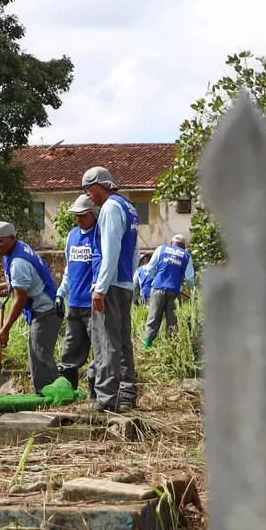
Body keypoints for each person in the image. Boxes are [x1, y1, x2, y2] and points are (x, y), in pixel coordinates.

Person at [83, 166, 140, 412]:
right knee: (123, 341)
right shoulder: (129, 207)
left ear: (100, 185)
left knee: (106, 341)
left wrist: (101, 288)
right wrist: (130, 281)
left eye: (89, 190)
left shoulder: (109, 208)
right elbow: (135, 251)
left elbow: (111, 250)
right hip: (124, 283)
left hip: (110, 285)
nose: (88, 196)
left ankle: (107, 398)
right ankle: (127, 394)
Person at [0, 221, 61, 394]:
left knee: (39, 357)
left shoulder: (18, 262)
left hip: (45, 311)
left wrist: (5, 329)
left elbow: (20, 299)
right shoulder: (17, 249)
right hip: (46, 306)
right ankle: (55, 390)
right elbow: (28, 280)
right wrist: (10, 285)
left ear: (12, 238)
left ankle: (45, 394)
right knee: (41, 355)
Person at [56, 194, 101, 388]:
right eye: (76, 215)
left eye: (83, 215)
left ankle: (95, 388)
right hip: (74, 302)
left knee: (99, 348)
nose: (78, 219)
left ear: (94, 214)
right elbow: (69, 269)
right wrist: (60, 294)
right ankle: (68, 388)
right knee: (70, 347)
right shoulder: (72, 235)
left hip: (93, 303)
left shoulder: (99, 235)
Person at [142, 233, 196, 348]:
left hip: (157, 289)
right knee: (172, 323)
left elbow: (150, 268)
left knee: (153, 318)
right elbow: (189, 278)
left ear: (171, 243)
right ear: (184, 246)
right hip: (174, 292)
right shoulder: (186, 256)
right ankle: (171, 349)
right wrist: (192, 291)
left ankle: (146, 347)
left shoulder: (161, 249)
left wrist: (157, 278)